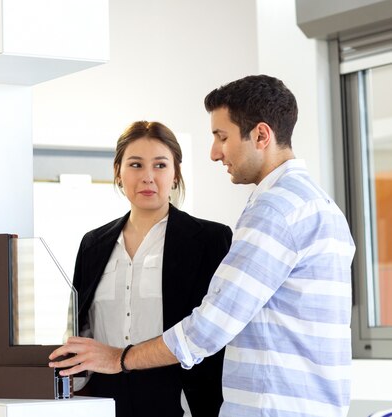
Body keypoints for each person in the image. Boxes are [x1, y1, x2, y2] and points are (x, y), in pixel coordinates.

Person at [50, 75, 356, 417]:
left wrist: (120, 358)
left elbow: (210, 327)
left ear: (261, 135)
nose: (214, 153)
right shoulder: (317, 205)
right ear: (118, 172)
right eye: (135, 164)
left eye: (221, 137)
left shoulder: (275, 211)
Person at [71, 120, 232, 417]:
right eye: (135, 165)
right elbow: (81, 328)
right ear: (118, 173)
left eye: (159, 165)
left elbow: (218, 332)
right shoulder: (93, 244)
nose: (147, 177)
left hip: (180, 401)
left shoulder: (211, 240)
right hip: (105, 401)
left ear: (175, 174)